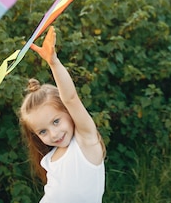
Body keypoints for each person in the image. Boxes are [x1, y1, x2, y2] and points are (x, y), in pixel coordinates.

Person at [19, 26, 106, 202]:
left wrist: (53, 62)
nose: (53, 133)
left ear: (68, 112)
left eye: (56, 121)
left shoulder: (86, 142)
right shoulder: (50, 159)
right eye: (42, 131)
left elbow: (71, 98)